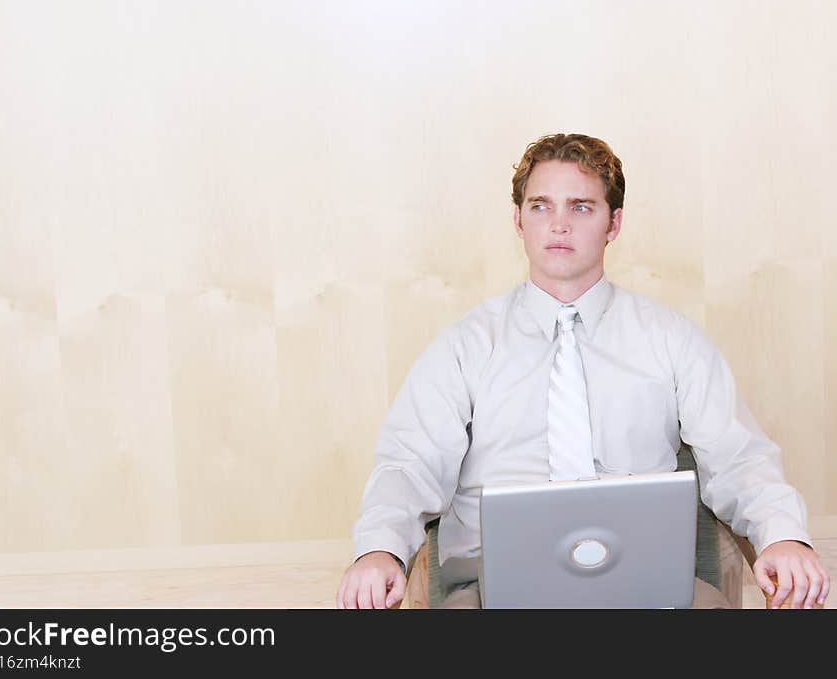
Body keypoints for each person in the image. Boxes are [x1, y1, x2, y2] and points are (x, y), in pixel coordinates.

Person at [335, 133, 830, 610]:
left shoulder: (671, 339)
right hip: (494, 590)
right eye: (540, 206)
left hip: (651, 587)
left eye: (581, 207)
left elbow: (739, 457)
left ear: (613, 224)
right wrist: (379, 549)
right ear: (518, 219)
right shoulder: (464, 346)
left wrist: (784, 535)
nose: (558, 224)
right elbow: (408, 464)